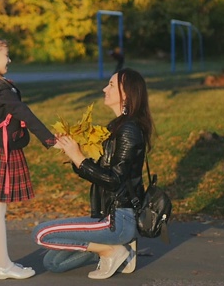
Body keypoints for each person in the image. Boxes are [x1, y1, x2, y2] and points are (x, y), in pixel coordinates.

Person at [32, 68, 154, 279]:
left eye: (111, 85)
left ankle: (112, 250)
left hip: (119, 218)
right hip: (106, 215)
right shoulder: (116, 128)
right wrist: (73, 153)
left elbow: (114, 181)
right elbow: (98, 173)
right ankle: (114, 250)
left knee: (41, 234)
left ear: (126, 94)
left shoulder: (129, 131)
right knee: (52, 262)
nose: (104, 88)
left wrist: (78, 157)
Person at [0, 35, 57, 280]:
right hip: (3, 153)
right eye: (5, 55)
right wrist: (50, 140)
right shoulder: (1, 88)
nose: (9, 59)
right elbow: (25, 114)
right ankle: (4, 265)